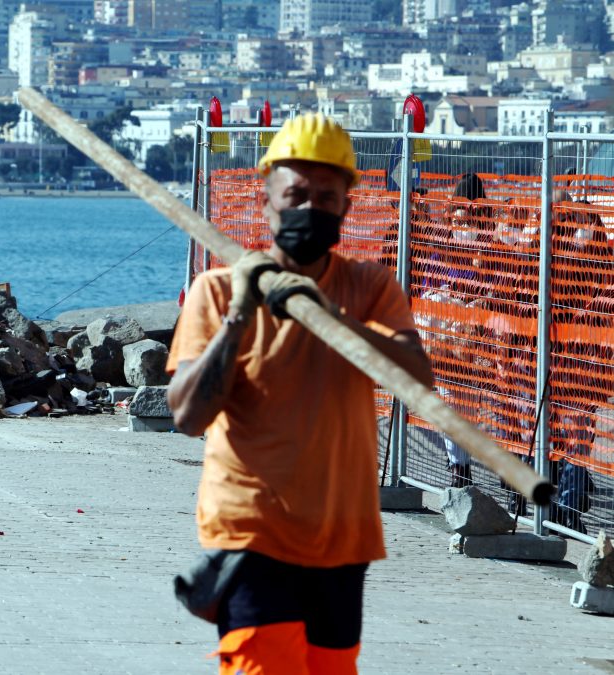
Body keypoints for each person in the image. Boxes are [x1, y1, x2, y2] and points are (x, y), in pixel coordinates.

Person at [166, 113, 434, 675]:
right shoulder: (217, 293)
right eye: (295, 194)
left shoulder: (368, 288)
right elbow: (188, 414)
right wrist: (241, 315)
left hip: (344, 537)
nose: (309, 208)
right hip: (253, 534)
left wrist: (333, 317)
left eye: (326, 196)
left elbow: (416, 379)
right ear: (266, 204)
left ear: (346, 207)